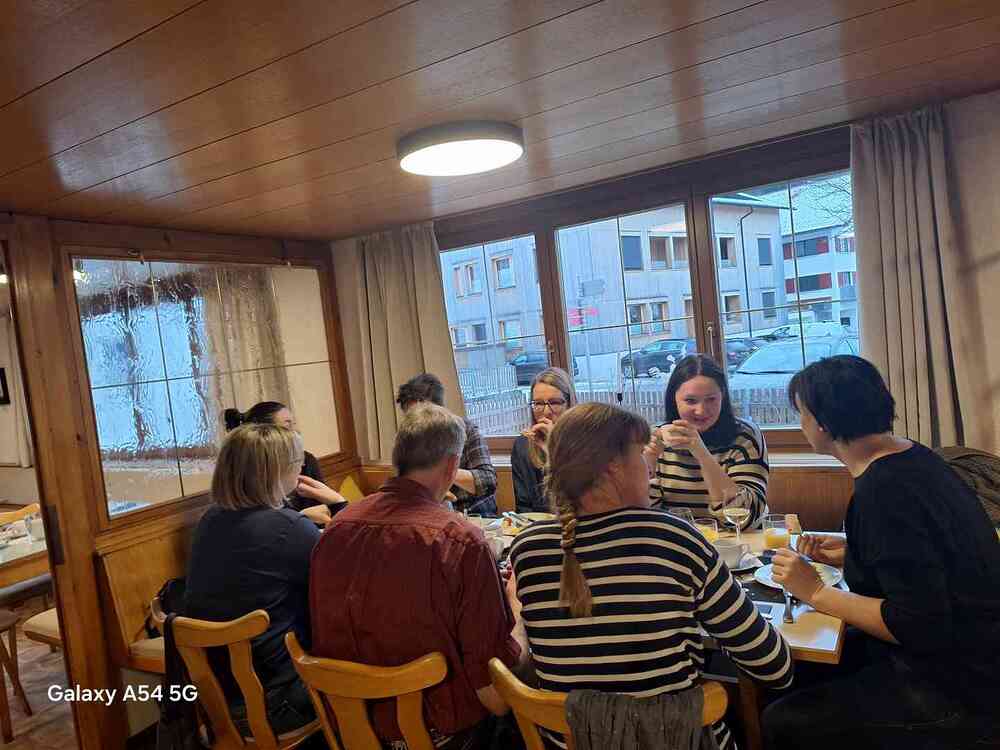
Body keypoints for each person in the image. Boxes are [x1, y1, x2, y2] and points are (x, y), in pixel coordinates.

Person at [509, 402, 792, 749]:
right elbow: (774, 667)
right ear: (614, 468)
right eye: (640, 455)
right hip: (678, 741)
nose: (649, 469)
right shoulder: (674, 539)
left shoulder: (527, 548)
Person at [764, 355, 1000, 749]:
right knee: (791, 672)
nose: (801, 424)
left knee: (780, 720)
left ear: (822, 424)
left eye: (801, 414)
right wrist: (853, 554)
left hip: (957, 687)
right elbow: (926, 560)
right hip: (975, 655)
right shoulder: (913, 456)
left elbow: (920, 623)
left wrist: (815, 592)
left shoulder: (883, 492)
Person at [310, 403, 526, 749]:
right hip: (436, 734)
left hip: (351, 729)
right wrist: (514, 605)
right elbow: (493, 694)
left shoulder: (335, 529)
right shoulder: (461, 541)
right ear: (452, 466)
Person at [184, 423, 319, 736]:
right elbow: (341, 579)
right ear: (275, 471)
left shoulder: (209, 520)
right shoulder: (289, 527)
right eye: (297, 462)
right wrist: (340, 505)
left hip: (219, 702)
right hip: (278, 704)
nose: (301, 468)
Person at [644, 354, 768, 529]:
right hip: (677, 540)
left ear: (723, 397)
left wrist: (701, 453)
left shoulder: (745, 436)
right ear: (674, 399)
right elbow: (645, 517)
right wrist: (648, 463)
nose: (701, 411)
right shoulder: (654, 437)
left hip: (736, 541)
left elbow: (745, 518)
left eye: (711, 399)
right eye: (690, 401)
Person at [224, 401, 345, 525]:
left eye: (294, 424)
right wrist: (300, 518)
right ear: (267, 433)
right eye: (288, 424)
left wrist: (335, 503)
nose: (297, 431)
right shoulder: (248, 479)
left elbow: (324, 511)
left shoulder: (307, 459)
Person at [396, 373, 498, 515]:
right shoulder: (410, 438)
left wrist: (442, 472)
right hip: (431, 514)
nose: (416, 422)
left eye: (422, 415)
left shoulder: (466, 429)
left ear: (439, 410)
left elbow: (487, 481)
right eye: (410, 416)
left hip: (475, 513)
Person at [511, 367, 573, 513]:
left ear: (569, 404)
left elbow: (579, 502)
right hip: (538, 523)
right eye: (538, 404)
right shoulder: (522, 445)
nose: (546, 412)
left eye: (555, 402)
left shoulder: (585, 442)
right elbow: (523, 506)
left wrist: (553, 447)